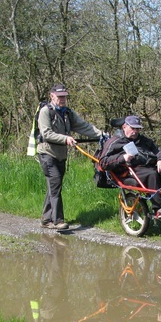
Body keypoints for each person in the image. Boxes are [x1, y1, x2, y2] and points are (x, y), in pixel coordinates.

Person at [37, 83, 105, 230]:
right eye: (60, 97)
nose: (62, 99)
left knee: (54, 186)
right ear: (52, 96)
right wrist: (65, 138)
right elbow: (46, 133)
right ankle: (58, 221)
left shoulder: (67, 112)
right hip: (47, 154)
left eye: (65, 97)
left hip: (61, 155)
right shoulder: (45, 111)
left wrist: (102, 135)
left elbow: (84, 126)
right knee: (55, 185)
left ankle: (46, 219)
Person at [99, 115, 161, 219]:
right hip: (129, 170)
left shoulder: (144, 140)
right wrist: (123, 158)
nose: (135, 131)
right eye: (133, 128)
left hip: (149, 166)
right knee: (152, 175)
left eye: (138, 129)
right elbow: (103, 162)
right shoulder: (115, 142)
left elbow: (159, 152)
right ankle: (159, 208)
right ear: (124, 127)